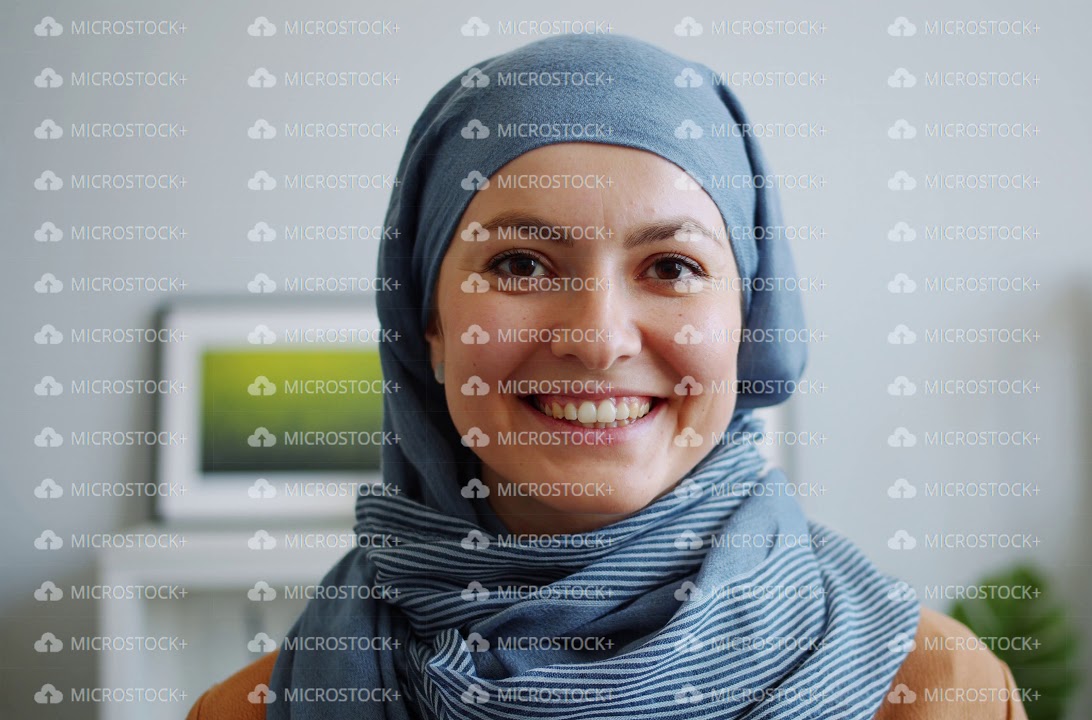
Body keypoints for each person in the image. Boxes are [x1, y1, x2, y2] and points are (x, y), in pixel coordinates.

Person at [187, 33, 1027, 720]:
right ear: (428, 325)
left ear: (747, 322)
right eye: (519, 263)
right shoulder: (253, 711)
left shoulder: (934, 693)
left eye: (671, 266)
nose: (597, 339)